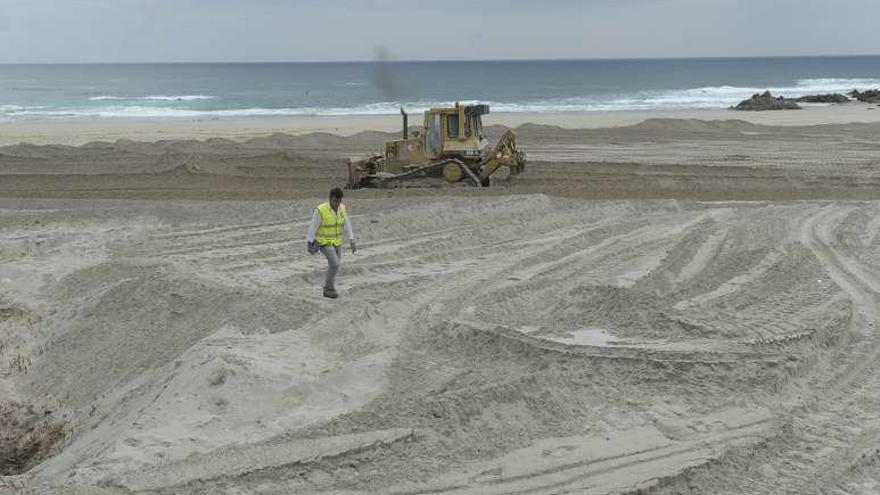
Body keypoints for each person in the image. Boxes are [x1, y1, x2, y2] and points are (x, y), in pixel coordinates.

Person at [306, 187, 356, 298]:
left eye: (339, 201)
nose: (337, 204)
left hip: (337, 242)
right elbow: (313, 226)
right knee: (335, 263)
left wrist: (352, 239)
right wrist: (309, 243)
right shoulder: (320, 210)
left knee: (335, 265)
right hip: (323, 242)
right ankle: (328, 289)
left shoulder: (342, 208)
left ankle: (330, 287)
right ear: (330, 199)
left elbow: (347, 223)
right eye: (335, 201)